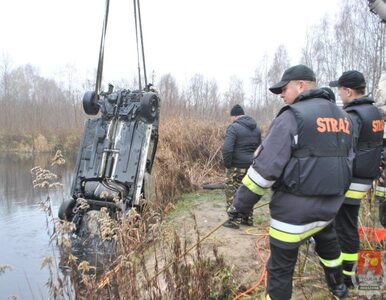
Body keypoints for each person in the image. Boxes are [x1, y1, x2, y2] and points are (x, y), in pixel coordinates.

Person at [224, 64, 353, 299]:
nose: (282, 95)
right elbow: (347, 161)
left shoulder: (292, 117)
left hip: (293, 215)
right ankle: (340, 289)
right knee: (329, 247)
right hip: (328, 210)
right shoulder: (343, 117)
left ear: (300, 85)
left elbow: (262, 173)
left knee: (280, 269)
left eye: (284, 89)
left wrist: (238, 208)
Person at [329, 71, 384, 287]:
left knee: (345, 225)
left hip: (352, 177)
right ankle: (361, 277)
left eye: (340, 90)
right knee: (349, 223)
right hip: (367, 175)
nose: (340, 94)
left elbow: (345, 147)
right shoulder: (375, 112)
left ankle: (348, 277)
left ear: (349, 91)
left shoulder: (352, 115)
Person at [223, 104, 261, 225]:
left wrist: (228, 164)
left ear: (234, 116)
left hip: (236, 166)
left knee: (232, 191)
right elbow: (260, 147)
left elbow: (227, 148)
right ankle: (247, 219)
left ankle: (233, 220)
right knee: (248, 192)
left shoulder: (233, 128)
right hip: (252, 166)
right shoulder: (256, 128)